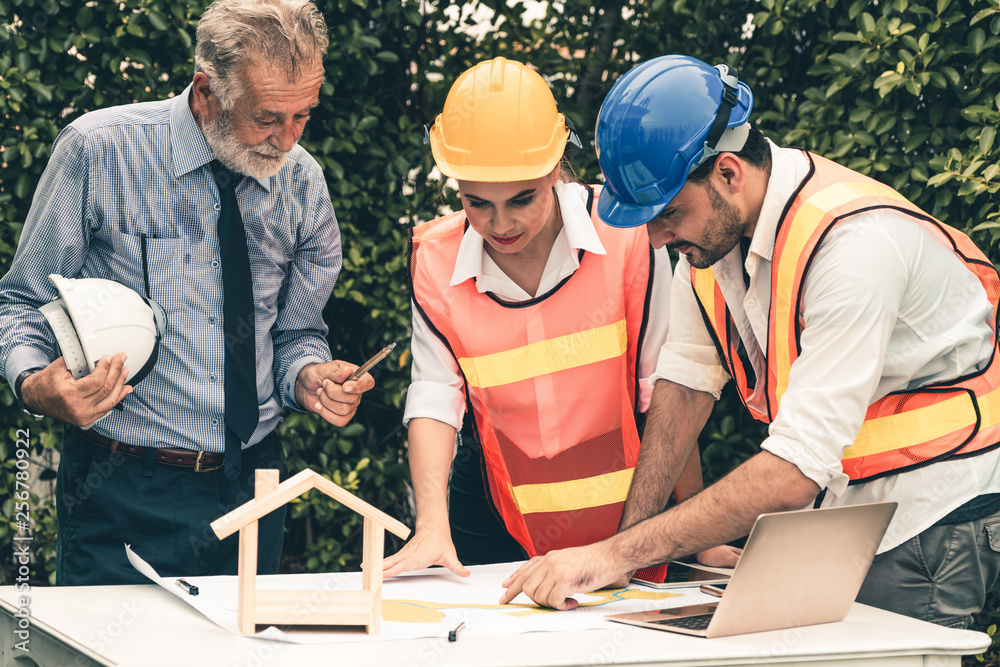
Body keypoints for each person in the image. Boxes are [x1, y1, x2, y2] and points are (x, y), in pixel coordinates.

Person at [500, 55, 1000, 629]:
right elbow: (684, 387)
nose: (657, 237)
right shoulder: (711, 243)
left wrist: (611, 556)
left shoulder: (854, 248)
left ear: (729, 173)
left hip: (932, 516)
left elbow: (793, 471)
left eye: (667, 214)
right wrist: (623, 553)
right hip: (843, 511)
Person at [0, 0, 375, 586]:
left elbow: (296, 333)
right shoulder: (99, 151)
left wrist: (307, 377)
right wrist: (34, 384)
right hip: (121, 488)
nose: (288, 140)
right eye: (267, 117)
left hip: (256, 485)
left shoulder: (304, 182)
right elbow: (20, 301)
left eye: (305, 115)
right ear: (205, 92)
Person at [383, 57, 739, 580]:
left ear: (554, 169)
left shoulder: (626, 236)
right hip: (494, 514)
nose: (499, 224)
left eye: (522, 199)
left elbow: (668, 391)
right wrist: (432, 527)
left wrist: (695, 528)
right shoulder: (434, 260)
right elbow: (435, 397)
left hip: (628, 510)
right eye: (476, 202)